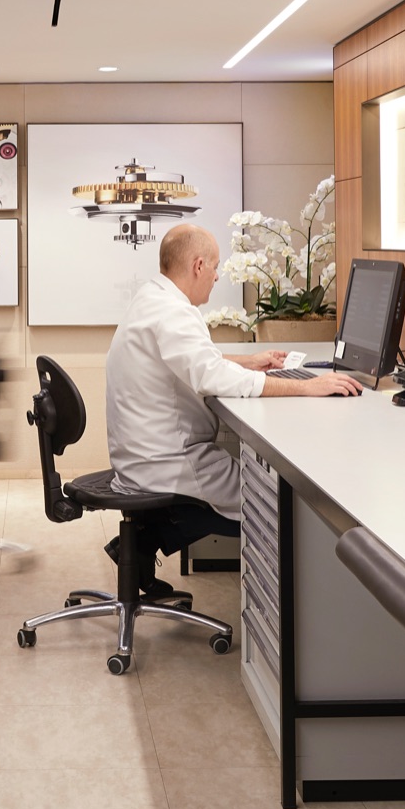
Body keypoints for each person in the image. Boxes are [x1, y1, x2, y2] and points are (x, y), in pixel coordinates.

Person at [104, 224, 361, 593]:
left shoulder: (153, 298)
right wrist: (306, 386)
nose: (216, 275)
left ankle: (145, 540)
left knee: (264, 487)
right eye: (214, 266)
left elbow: (191, 359)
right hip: (169, 462)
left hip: (144, 455)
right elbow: (211, 377)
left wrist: (247, 361)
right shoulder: (173, 311)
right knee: (282, 506)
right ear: (197, 266)